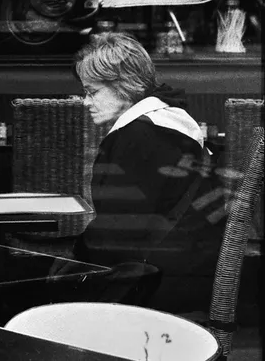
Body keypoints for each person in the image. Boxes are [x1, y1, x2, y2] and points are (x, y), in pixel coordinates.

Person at [71, 32, 225, 313]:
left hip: (160, 285)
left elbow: (119, 233)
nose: (86, 102)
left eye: (92, 92)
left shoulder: (138, 138)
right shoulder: (166, 122)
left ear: (124, 86)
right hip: (190, 269)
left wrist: (72, 257)